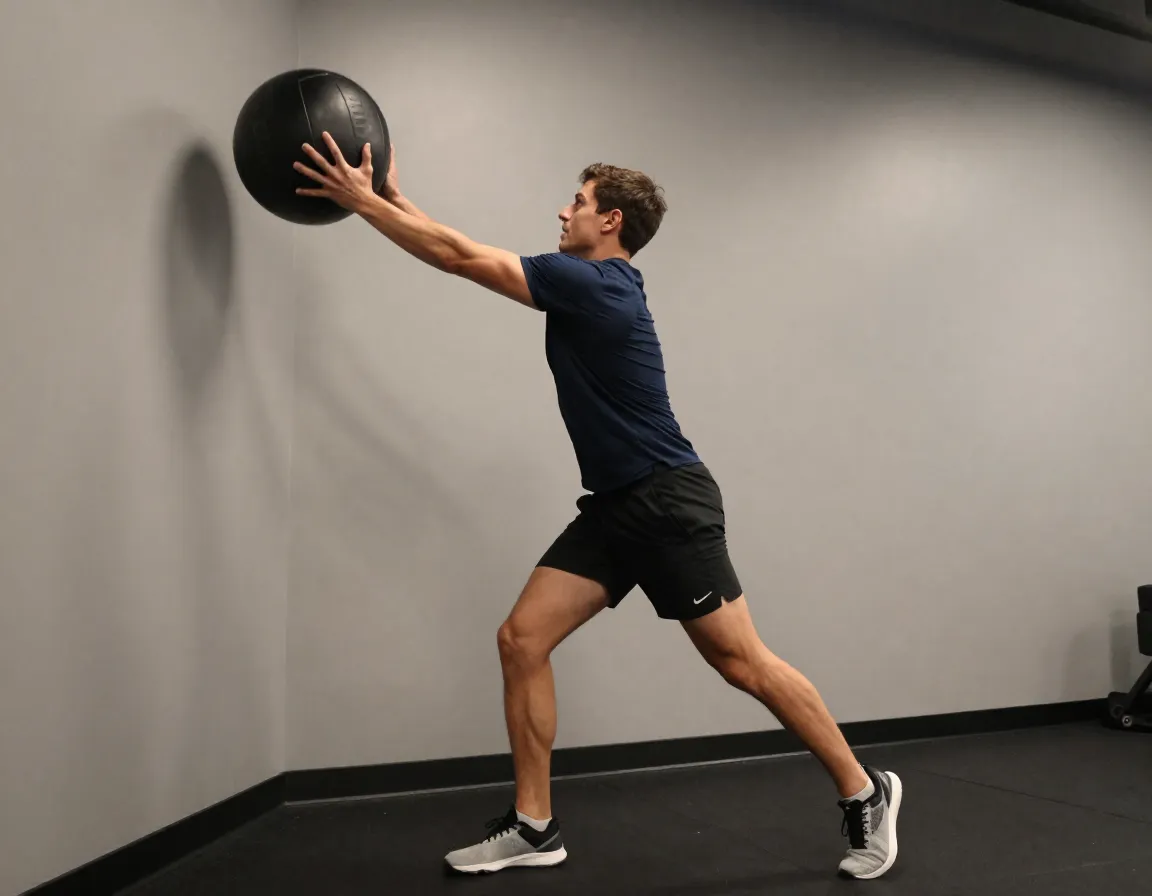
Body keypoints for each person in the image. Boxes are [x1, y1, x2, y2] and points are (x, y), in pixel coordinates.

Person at [294, 134, 903, 881]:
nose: (564, 211)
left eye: (577, 201)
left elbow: (456, 256)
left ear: (610, 220)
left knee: (742, 663)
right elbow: (456, 245)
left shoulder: (593, 283)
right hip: (617, 505)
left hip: (667, 500)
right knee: (522, 639)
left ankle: (866, 791)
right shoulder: (587, 282)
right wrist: (389, 199)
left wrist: (361, 204)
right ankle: (533, 827)